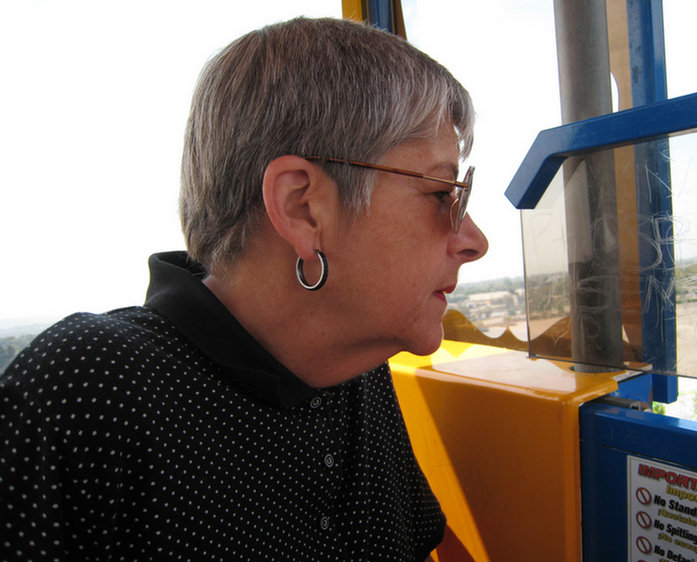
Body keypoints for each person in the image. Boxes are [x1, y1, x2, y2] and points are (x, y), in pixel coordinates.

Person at [0, 17, 488, 562]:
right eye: (443, 191)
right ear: (303, 208)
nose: (474, 240)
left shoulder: (354, 367)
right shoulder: (87, 391)